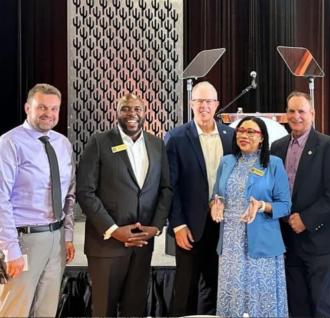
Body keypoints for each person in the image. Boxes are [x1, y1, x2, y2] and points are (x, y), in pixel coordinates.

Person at [76, 93, 172, 317]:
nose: (132, 114)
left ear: (144, 112)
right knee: (103, 310)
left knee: (135, 309)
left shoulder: (157, 144)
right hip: (107, 245)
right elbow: (85, 191)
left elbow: (166, 189)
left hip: (142, 245)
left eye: (137, 109)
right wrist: (113, 230)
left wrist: (156, 227)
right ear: (116, 113)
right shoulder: (99, 142)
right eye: (126, 109)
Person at [0, 83, 75, 317]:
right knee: (15, 309)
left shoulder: (62, 143)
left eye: (54, 109)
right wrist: (10, 249)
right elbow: (1, 199)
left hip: (56, 237)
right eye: (41, 107)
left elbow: (69, 195)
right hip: (24, 240)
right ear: (27, 108)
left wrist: (68, 236)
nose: (48, 114)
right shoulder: (9, 143)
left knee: (47, 310)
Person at [271, 91, 330, 317]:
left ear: (312, 114)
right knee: (297, 307)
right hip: (287, 241)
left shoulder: (329, 146)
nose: (296, 116)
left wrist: (306, 219)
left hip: (320, 243)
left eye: (301, 111)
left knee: (322, 307)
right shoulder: (277, 147)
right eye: (291, 111)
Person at [166, 81, 234, 316]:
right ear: (191, 104)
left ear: (216, 104)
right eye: (199, 101)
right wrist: (177, 224)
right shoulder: (176, 138)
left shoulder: (230, 136)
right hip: (189, 227)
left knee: (218, 288)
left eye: (208, 101)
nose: (204, 106)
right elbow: (170, 187)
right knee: (185, 290)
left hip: (224, 227)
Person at [211, 116, 291, 317]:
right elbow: (216, 195)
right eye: (240, 131)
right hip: (231, 244)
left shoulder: (273, 163)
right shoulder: (227, 161)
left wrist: (262, 206)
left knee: (261, 303)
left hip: (262, 244)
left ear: (262, 138)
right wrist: (216, 204)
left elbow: (285, 205)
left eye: (251, 132)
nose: (244, 135)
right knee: (233, 301)